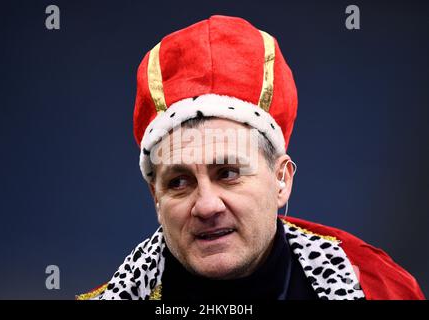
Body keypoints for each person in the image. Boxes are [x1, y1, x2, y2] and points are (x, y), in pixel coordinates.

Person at [77, 15, 424, 300]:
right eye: (179, 182)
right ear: (156, 197)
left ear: (281, 180)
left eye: (227, 173)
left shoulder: (379, 291)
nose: (207, 206)